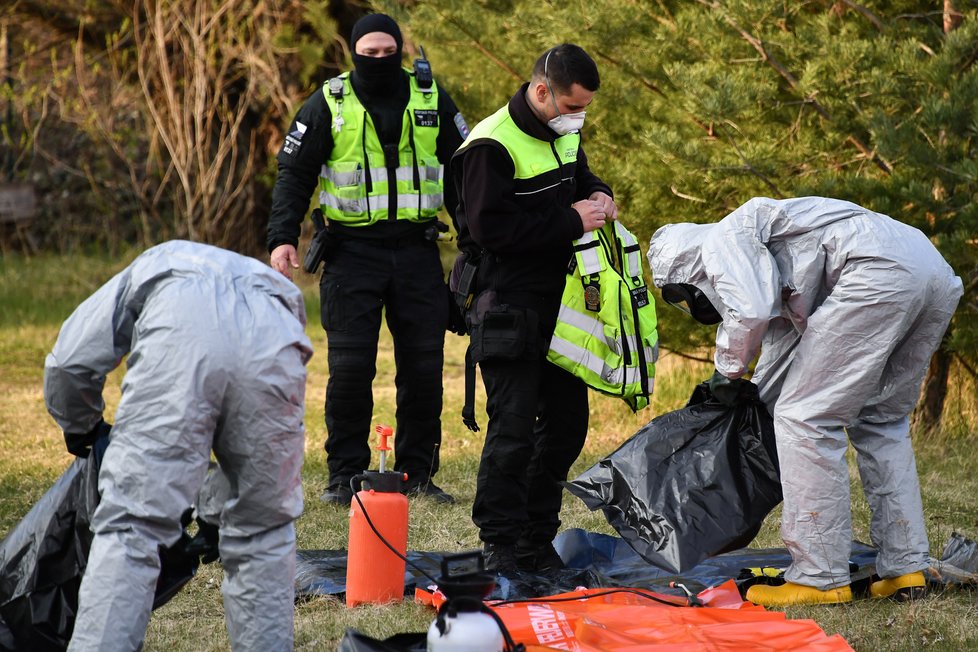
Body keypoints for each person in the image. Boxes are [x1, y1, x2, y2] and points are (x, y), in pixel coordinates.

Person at [647, 196, 963, 606]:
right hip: (930, 269)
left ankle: (819, 575)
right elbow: (780, 355)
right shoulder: (770, 255)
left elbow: (750, 311)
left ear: (684, 270)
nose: (691, 304)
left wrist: (725, 372)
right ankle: (906, 567)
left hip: (875, 271)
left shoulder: (721, 240)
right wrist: (746, 399)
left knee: (805, 418)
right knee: (881, 421)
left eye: (682, 294)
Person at [44, 240, 313, 652]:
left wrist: (82, 426)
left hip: (184, 333)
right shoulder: (267, 287)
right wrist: (218, 505)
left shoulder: (152, 266)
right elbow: (254, 438)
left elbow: (69, 362)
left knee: (132, 527)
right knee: (264, 532)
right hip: (276, 333)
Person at [267, 13, 468, 505]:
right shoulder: (328, 103)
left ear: (400, 49)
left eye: (387, 52)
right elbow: (294, 173)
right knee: (352, 371)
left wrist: (476, 240)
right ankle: (344, 477)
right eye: (369, 53)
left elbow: (464, 170)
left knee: (423, 369)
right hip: (351, 255)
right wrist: (282, 237)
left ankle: (418, 474)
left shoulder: (430, 97)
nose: (379, 61)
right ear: (354, 53)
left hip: (418, 252)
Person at [451, 43, 617, 575]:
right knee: (514, 431)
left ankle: (536, 538)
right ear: (541, 91)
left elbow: (580, 178)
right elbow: (490, 231)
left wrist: (601, 195)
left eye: (585, 108)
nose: (579, 118)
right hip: (508, 304)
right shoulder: (489, 145)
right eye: (573, 107)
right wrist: (572, 222)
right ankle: (501, 545)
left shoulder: (563, 131)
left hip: (563, 304)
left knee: (567, 427)